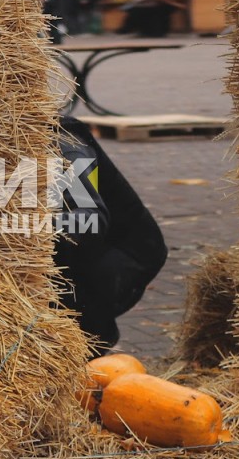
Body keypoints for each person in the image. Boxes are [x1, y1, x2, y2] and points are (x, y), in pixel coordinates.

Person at [54, 116, 168, 350]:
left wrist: (18, 228)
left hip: (118, 252)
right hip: (69, 254)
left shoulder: (66, 143)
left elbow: (89, 220)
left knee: (79, 330)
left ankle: (93, 341)